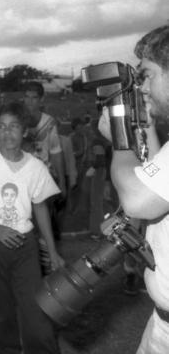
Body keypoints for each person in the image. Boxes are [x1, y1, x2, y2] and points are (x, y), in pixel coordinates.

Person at [99, 24, 169, 353]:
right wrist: (149, 125)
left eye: (148, 75)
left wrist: (119, 138)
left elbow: (139, 200)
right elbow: (157, 181)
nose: (141, 87)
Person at [0, 101, 63, 354]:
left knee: (36, 309)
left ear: (25, 131)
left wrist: (53, 252)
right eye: (1, 127)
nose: (7, 133)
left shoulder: (35, 166)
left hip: (25, 246)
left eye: (14, 127)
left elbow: (40, 208)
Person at [22, 81, 66, 273]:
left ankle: (46, 266)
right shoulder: (18, 119)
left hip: (43, 177)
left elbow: (56, 151)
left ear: (41, 100)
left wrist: (62, 182)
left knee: (43, 222)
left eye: (34, 97)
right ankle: (31, 265)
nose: (30, 101)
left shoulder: (49, 122)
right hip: (21, 178)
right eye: (27, 97)